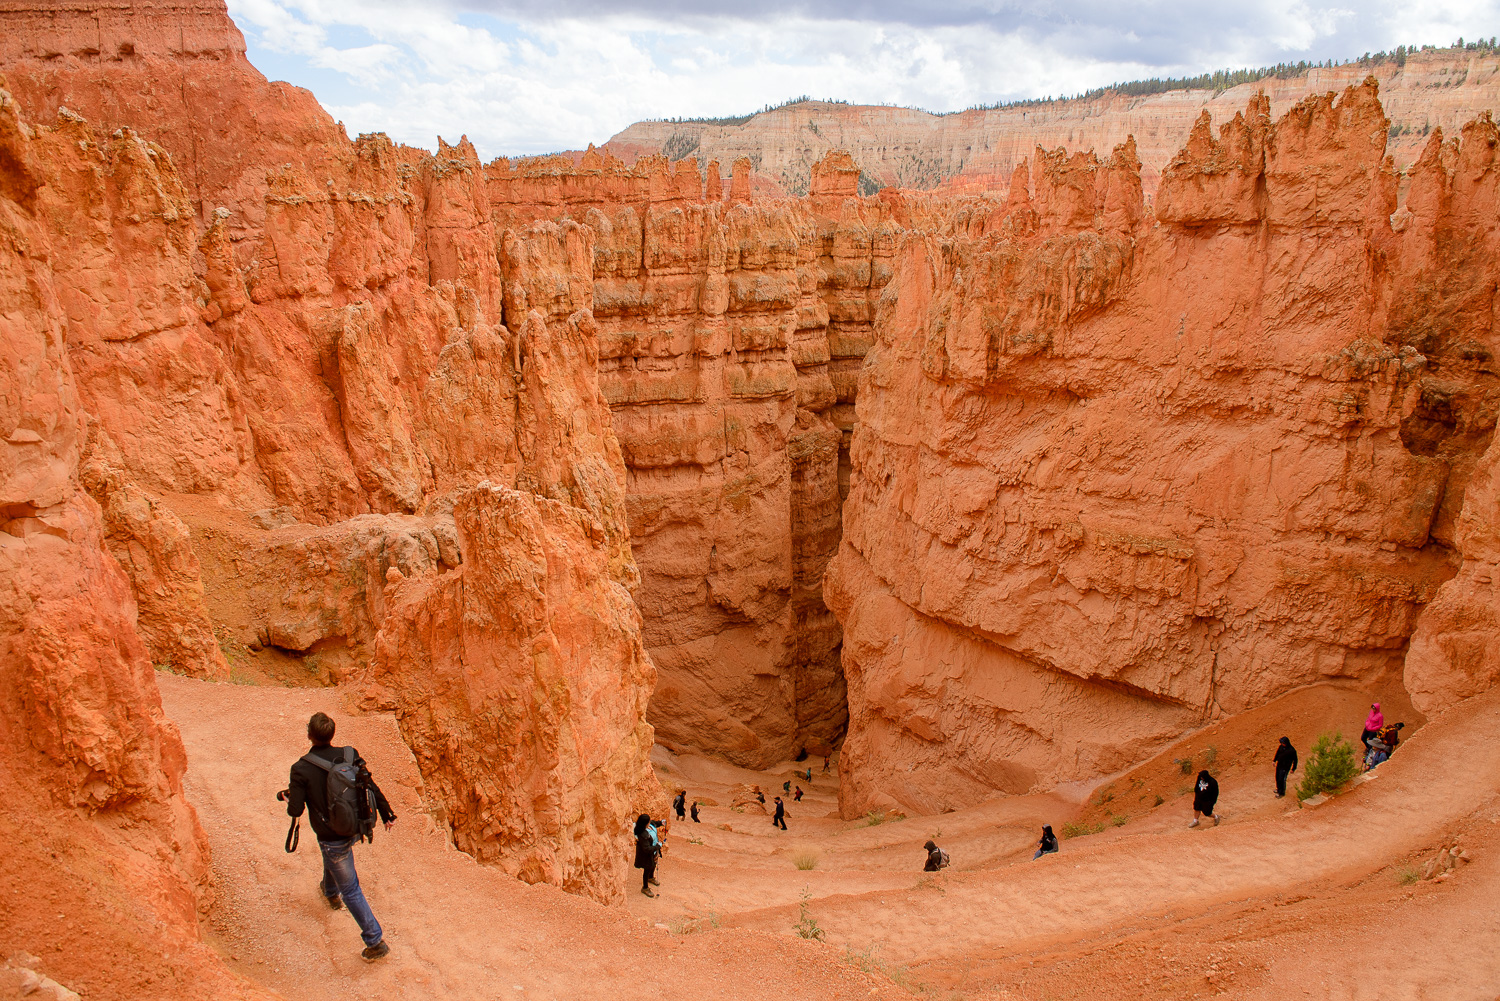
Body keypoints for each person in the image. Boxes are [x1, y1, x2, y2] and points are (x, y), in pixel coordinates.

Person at [285, 712, 395, 962]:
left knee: (351, 888)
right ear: (332, 734)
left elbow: (296, 809)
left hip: (332, 836)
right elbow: (369, 785)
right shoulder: (349, 755)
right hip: (357, 826)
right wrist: (387, 812)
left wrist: (289, 796)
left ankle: (375, 940)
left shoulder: (300, 768)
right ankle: (329, 891)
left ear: (309, 734)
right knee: (334, 859)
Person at [633, 813, 660, 897]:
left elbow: (654, 823)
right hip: (647, 854)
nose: (650, 822)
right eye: (648, 821)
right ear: (645, 823)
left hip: (653, 851)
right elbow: (647, 849)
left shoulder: (647, 827)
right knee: (647, 868)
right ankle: (645, 887)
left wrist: (661, 823)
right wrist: (657, 846)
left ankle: (651, 877)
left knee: (654, 864)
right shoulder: (642, 834)